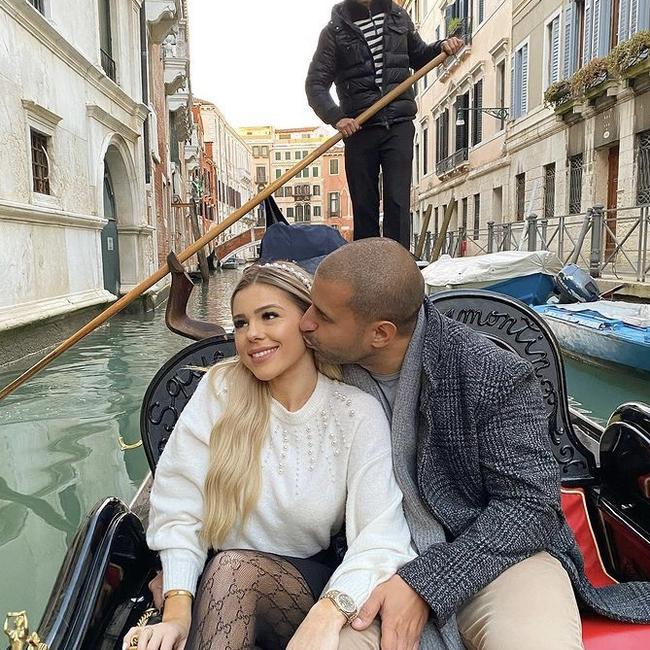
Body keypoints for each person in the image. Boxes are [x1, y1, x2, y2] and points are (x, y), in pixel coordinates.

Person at [299, 237, 650, 649]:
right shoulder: (308, 369)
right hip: (371, 564)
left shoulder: (490, 372)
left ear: (380, 333)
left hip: (500, 558)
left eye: (322, 315)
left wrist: (428, 583)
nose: (304, 322)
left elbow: (530, 506)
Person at [123, 262, 416, 650]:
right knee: (229, 570)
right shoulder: (220, 390)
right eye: (241, 322)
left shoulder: (355, 412)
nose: (252, 334)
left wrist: (331, 612)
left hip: (307, 588)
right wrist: (177, 614)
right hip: (217, 578)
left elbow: (381, 534)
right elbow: (179, 505)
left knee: (235, 571)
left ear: (307, 322)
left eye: (269, 316)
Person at [305, 0, 462, 249]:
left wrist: (441, 46)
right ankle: (368, 274)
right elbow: (315, 84)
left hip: (398, 123)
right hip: (359, 128)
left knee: (398, 202)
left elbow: (418, 54)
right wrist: (336, 117)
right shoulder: (333, 32)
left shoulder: (398, 16)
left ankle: (398, 271)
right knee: (364, 205)